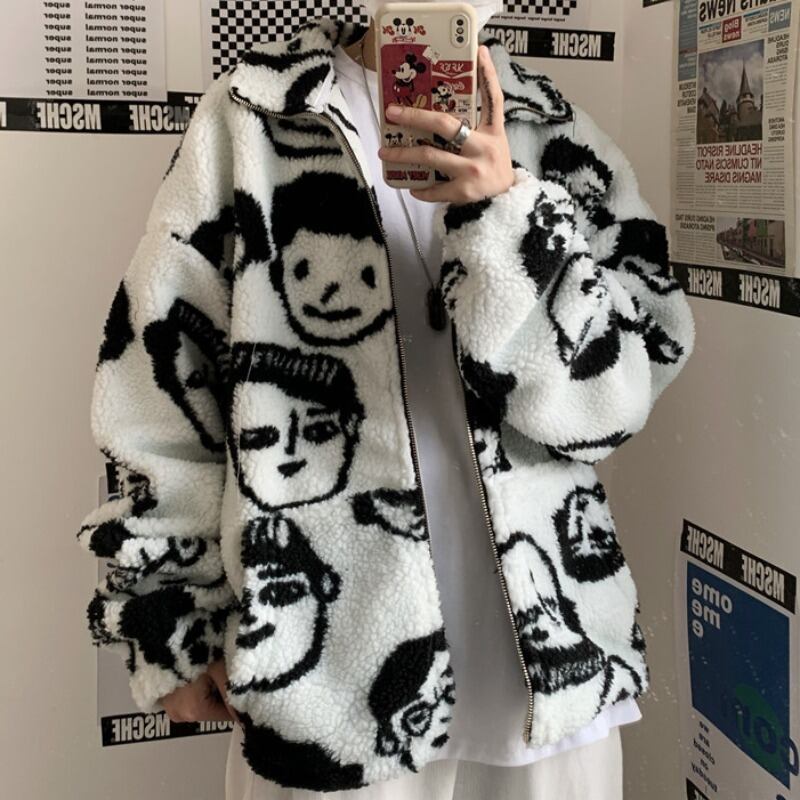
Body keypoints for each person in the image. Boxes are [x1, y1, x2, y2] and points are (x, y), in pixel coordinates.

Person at [75, 2, 696, 798]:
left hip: (547, 671)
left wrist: (507, 212)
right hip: (330, 680)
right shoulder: (252, 117)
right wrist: (170, 612)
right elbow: (159, 379)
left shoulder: (553, 131)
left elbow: (614, 402)